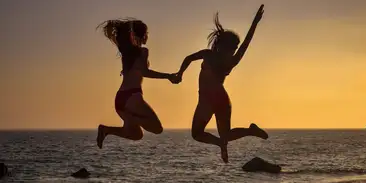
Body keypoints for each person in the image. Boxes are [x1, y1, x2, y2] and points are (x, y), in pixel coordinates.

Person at [174, 5, 268, 163]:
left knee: (213, 134)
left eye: (235, 48)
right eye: (233, 47)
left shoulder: (225, 58)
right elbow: (188, 58)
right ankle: (233, 139)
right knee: (208, 134)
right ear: (223, 45)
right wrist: (180, 73)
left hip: (214, 100)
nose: (235, 50)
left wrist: (255, 23)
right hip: (213, 100)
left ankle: (239, 136)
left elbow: (246, 42)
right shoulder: (214, 56)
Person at [96, 18, 179, 148]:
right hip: (132, 96)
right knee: (157, 128)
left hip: (121, 99)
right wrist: (168, 76)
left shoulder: (127, 53)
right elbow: (145, 72)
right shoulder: (142, 51)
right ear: (143, 35)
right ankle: (132, 118)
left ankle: (106, 130)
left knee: (136, 134)